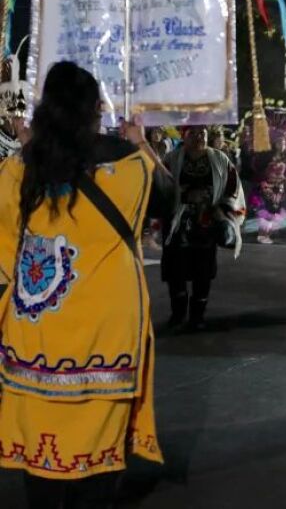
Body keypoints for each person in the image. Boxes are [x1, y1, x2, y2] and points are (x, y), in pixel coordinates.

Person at [0, 61, 171, 507]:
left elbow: (3, 253)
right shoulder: (130, 167)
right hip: (106, 340)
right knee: (97, 470)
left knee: (41, 468)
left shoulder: (18, 171)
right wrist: (142, 144)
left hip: (37, 337)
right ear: (98, 108)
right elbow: (168, 201)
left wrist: (24, 150)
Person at [162, 126, 245, 330]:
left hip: (207, 223)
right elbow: (160, 187)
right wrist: (184, 196)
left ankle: (197, 316)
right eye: (194, 133)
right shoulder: (170, 160)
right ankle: (178, 314)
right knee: (176, 272)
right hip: (177, 225)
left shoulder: (220, 160)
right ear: (184, 136)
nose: (199, 137)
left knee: (203, 272)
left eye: (203, 134)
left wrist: (222, 210)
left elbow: (232, 188)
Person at [249, 138, 286, 244]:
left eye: (284, 143)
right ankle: (262, 234)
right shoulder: (269, 157)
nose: (282, 145)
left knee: (277, 213)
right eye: (280, 143)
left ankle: (267, 234)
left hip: (279, 189)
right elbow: (268, 174)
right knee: (267, 211)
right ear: (275, 144)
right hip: (268, 187)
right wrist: (281, 179)